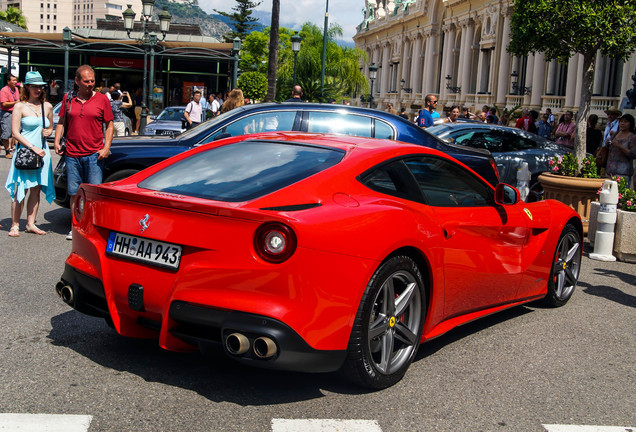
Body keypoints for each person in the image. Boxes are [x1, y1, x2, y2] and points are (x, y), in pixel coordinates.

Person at [54, 64, 114, 241]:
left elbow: (109, 125)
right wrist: (57, 141)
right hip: (72, 154)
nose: (90, 84)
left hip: (94, 154)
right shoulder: (69, 98)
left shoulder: (102, 99)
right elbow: (62, 122)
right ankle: (76, 226)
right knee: (74, 192)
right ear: (78, 81)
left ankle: (92, 227)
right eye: (86, 81)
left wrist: (106, 147)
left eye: (92, 81)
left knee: (93, 194)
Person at [5, 71, 55, 237]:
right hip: (26, 151)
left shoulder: (47, 106)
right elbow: (15, 133)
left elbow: (50, 127)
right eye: (34, 86)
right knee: (21, 188)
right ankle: (14, 224)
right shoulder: (19, 106)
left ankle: (31, 223)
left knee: (35, 189)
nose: (38, 89)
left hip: (42, 153)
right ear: (26, 87)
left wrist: (48, 132)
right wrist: (33, 148)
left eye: (40, 86)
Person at [606, 113, 636, 186]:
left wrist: (620, 146)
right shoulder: (616, 134)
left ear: (630, 124)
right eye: (621, 121)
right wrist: (607, 144)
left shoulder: (632, 137)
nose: (622, 123)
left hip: (623, 173)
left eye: (625, 122)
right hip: (610, 171)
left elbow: (633, 154)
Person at [1, 74, 20, 159]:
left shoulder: (16, 89)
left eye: (16, 80)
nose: (15, 82)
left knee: (17, 132)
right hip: (7, 113)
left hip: (16, 112)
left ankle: (17, 150)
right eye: (13, 80)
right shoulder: (4, 90)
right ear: (8, 82)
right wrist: (15, 103)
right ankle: (7, 151)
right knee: (6, 133)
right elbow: (4, 104)